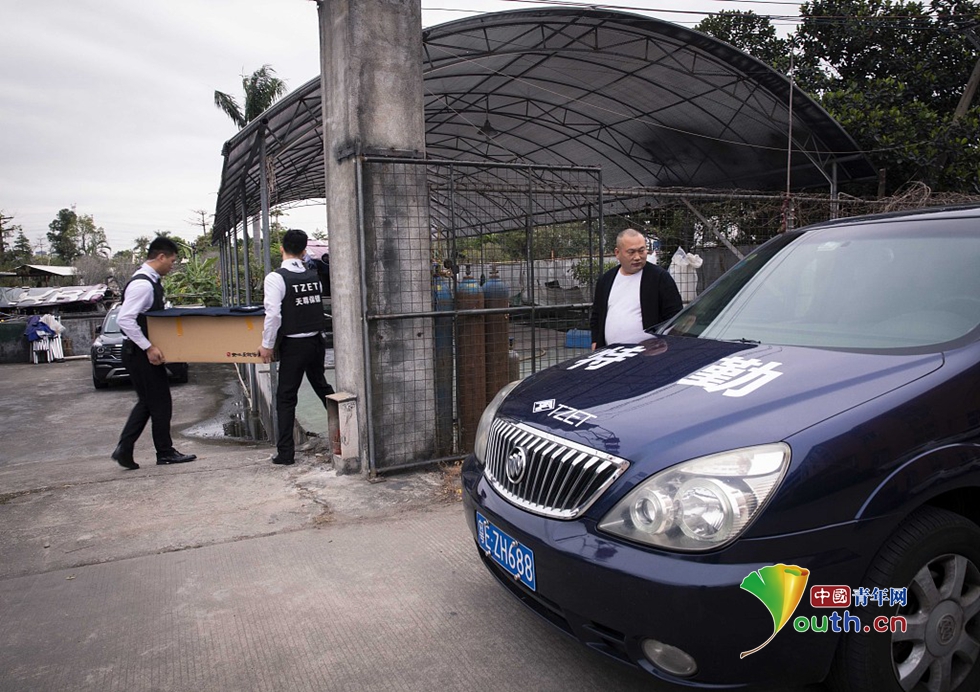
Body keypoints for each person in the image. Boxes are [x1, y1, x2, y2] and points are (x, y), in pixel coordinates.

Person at [112, 237, 197, 470]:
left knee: (148, 403)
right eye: (172, 260)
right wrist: (148, 347)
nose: (172, 265)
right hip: (140, 354)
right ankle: (164, 452)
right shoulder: (143, 285)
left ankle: (124, 449)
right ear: (161, 257)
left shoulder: (150, 281)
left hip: (139, 353)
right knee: (160, 404)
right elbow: (125, 320)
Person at [259, 229, 334, 466]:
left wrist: (267, 345)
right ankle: (348, 432)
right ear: (304, 251)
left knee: (286, 397)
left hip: (294, 345)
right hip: (316, 342)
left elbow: (273, 315)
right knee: (322, 386)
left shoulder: (276, 278)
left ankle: (285, 454)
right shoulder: (313, 275)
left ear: (282, 248)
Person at [589, 228, 684, 350]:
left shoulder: (659, 278)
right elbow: (597, 315)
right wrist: (595, 341)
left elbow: (675, 317)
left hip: (650, 354)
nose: (637, 257)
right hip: (610, 354)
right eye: (631, 252)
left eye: (641, 251)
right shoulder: (606, 280)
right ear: (617, 253)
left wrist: (665, 346)